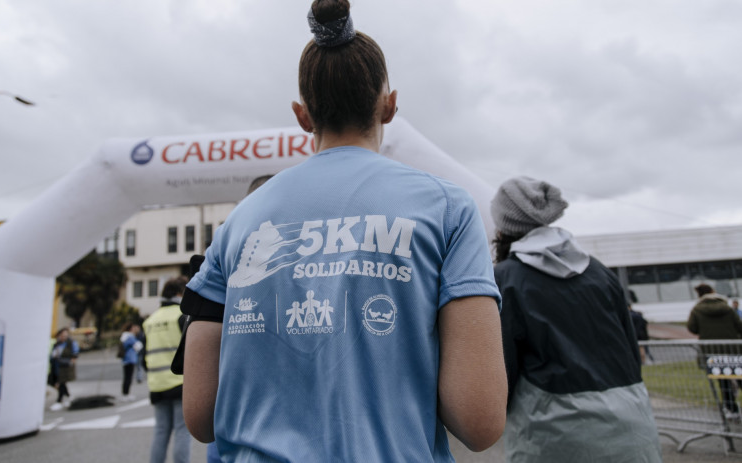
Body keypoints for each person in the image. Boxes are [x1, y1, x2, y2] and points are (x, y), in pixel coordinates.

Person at [181, 1, 507, 460]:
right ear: (389, 106)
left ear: (303, 115)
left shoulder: (240, 222)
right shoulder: (448, 209)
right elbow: (480, 421)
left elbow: (200, 417)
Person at [490, 176, 662, 462]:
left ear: (505, 224)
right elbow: (631, 351)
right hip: (633, 422)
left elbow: (502, 369)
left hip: (552, 431)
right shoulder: (599, 271)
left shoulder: (506, 278)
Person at [143, 276, 192, 463]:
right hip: (179, 383)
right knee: (182, 430)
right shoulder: (181, 316)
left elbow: (144, 358)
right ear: (180, 293)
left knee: (161, 431)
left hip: (156, 384)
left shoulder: (150, 320)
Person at [687, 283, 742, 419]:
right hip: (732, 348)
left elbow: (692, 328)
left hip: (712, 350)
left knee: (723, 380)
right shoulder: (727, 308)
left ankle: (731, 408)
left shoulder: (697, 309)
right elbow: (739, 326)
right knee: (739, 376)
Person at [48, 327, 80, 411]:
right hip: (57, 365)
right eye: (62, 335)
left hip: (65, 366)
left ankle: (59, 400)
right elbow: (53, 354)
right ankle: (68, 396)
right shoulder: (57, 343)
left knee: (62, 382)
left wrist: (71, 362)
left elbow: (75, 354)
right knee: (57, 382)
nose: (63, 337)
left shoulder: (71, 343)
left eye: (65, 336)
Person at [119, 322, 143, 402]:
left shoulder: (124, 336)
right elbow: (139, 345)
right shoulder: (129, 336)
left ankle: (125, 393)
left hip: (125, 359)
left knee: (126, 377)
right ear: (130, 328)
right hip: (130, 359)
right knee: (128, 378)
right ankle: (126, 394)